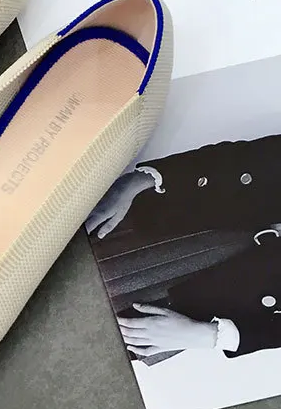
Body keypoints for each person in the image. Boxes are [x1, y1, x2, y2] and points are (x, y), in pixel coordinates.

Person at [88, 134, 281, 358]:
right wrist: (140, 181)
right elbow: (243, 159)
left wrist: (210, 336)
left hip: (193, 313)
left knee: (80, 347)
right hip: (158, 218)